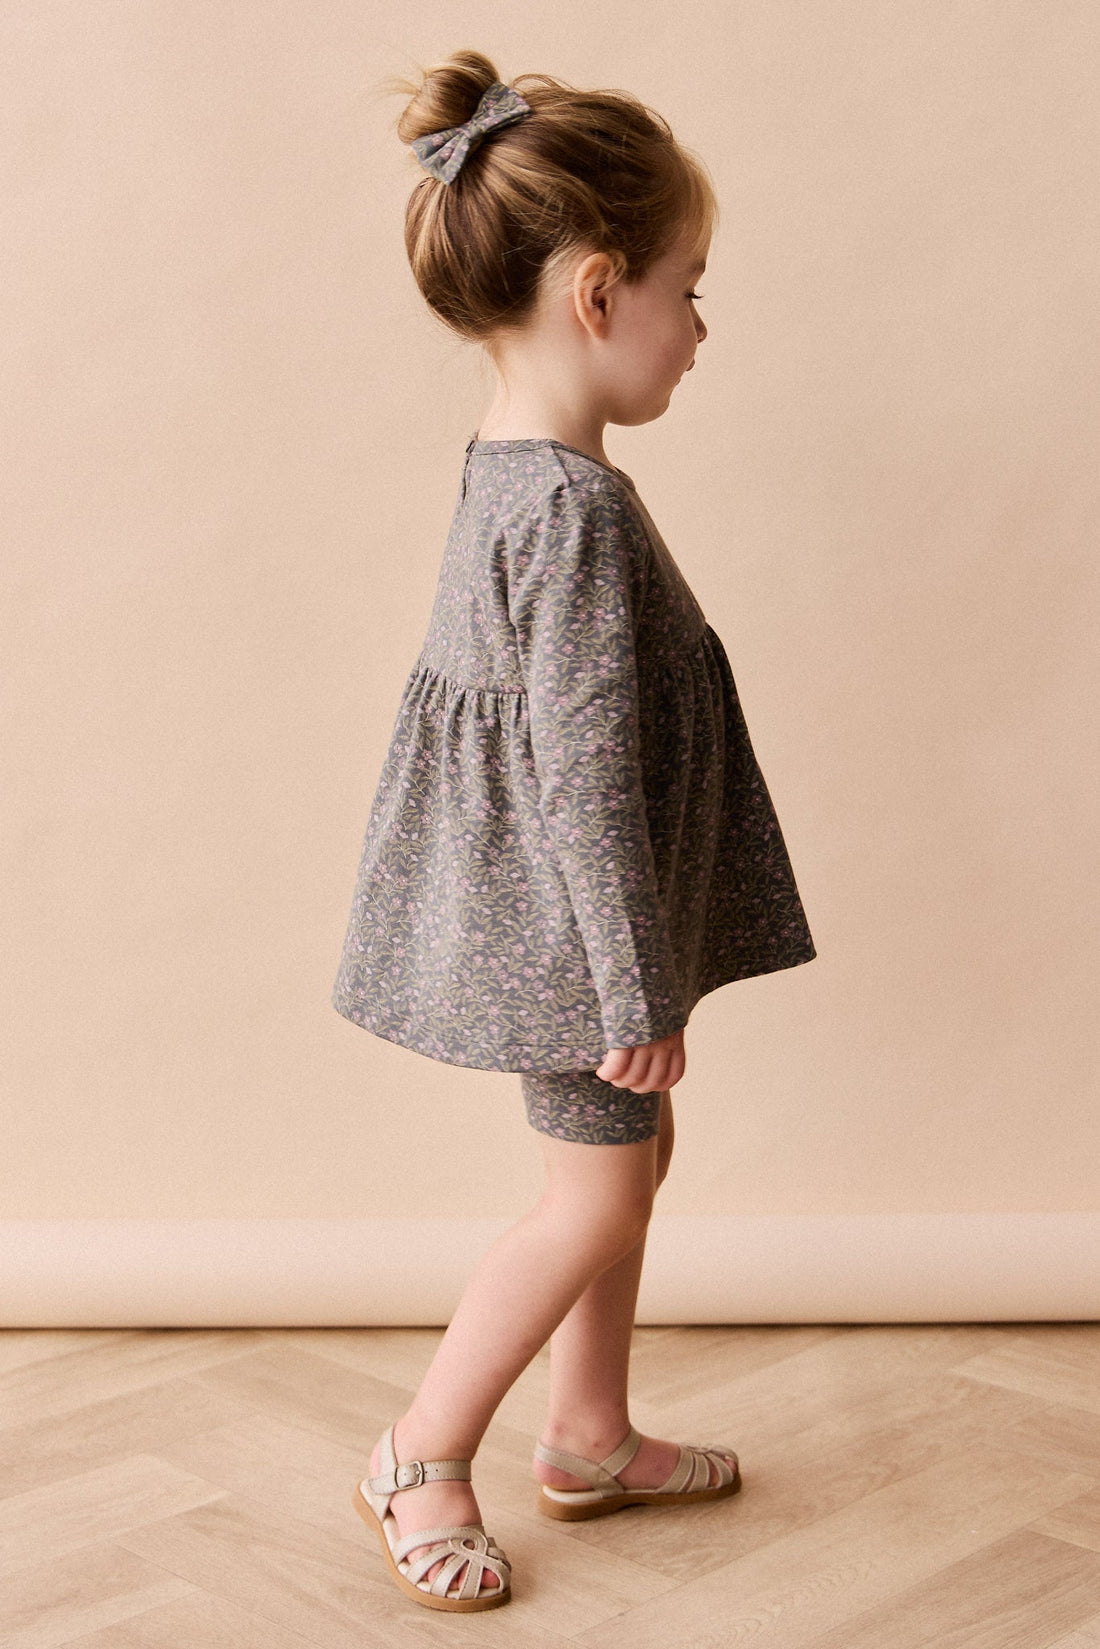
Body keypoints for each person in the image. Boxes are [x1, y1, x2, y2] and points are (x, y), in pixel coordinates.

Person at [333, 49, 817, 1612]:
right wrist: (632, 983)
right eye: (689, 288)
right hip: (571, 930)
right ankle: (419, 1450)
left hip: (561, 914)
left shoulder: (521, 473)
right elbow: (583, 769)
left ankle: (590, 1433)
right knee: (597, 1191)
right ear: (599, 293)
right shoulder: (570, 511)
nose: (701, 327)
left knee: (631, 1156)